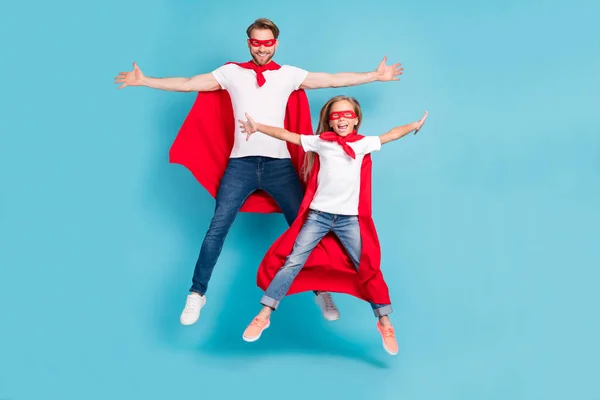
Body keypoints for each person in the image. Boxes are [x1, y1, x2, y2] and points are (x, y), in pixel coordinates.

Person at [113, 18, 404, 326]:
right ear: (248, 43)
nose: (262, 49)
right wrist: (145, 81)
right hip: (241, 165)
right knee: (217, 229)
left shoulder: (288, 75)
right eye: (256, 43)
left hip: (279, 166)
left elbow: (331, 80)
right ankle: (197, 294)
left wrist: (374, 75)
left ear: (275, 44)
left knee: (305, 228)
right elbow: (187, 83)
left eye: (268, 43)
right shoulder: (231, 73)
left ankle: (320, 290)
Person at [237, 95, 428, 355]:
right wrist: (258, 126)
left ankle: (384, 322)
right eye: (336, 115)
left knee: (368, 266)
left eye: (347, 115)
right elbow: (287, 134)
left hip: (349, 220)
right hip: (318, 216)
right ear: (329, 120)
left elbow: (391, 134)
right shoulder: (321, 143)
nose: (341, 120)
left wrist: (414, 124)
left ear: (356, 120)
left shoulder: (362, 144)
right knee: (294, 261)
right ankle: (264, 314)